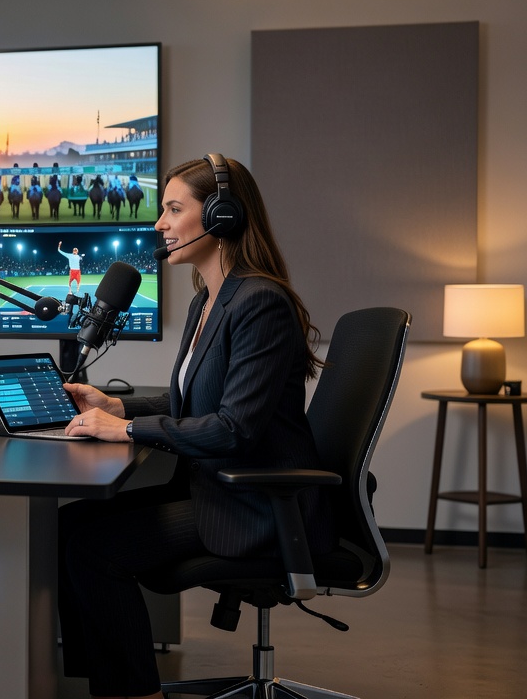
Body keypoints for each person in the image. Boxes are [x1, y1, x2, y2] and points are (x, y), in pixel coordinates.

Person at [55, 155, 330, 699]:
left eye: (174, 209)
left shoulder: (260, 303)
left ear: (223, 216)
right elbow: (193, 400)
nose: (160, 223)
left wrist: (127, 432)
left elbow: (232, 429)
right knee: (68, 525)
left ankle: (134, 694)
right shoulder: (210, 299)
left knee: (93, 548)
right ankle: (103, 684)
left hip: (255, 508)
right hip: (216, 488)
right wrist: (118, 407)